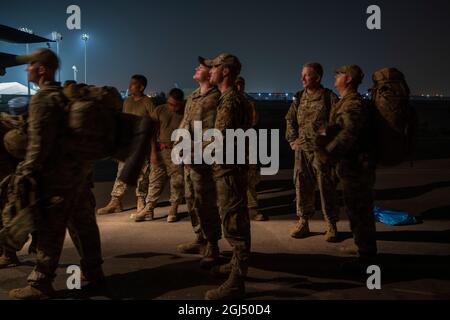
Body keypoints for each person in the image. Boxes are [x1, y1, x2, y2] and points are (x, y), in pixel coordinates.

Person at [8, 48, 105, 299]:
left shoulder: (42, 99)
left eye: (30, 65)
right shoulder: (65, 97)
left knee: (50, 229)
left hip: (56, 180)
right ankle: (95, 274)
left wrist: (26, 171)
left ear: (42, 69)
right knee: (84, 226)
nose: (27, 69)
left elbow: (39, 144)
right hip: (78, 175)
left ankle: (40, 284)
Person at [316, 65, 378, 268]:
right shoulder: (344, 102)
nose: (335, 76)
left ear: (349, 79)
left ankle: (367, 257)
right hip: (350, 166)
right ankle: (363, 248)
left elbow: (348, 133)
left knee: (360, 210)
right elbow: (338, 126)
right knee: (355, 209)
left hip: (357, 167)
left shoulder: (353, 104)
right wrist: (320, 132)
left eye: (339, 73)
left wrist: (328, 153)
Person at [205, 53, 251, 300]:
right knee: (231, 218)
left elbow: (219, 137)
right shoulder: (230, 97)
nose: (210, 70)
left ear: (225, 72)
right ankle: (235, 266)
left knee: (235, 224)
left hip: (230, 169)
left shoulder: (231, 100)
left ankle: (237, 281)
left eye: (214, 67)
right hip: (229, 167)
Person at [285, 62, 340, 242]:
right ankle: (303, 221)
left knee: (326, 186)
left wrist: (322, 137)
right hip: (302, 150)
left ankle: (331, 224)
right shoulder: (299, 97)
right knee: (301, 184)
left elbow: (337, 123)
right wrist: (293, 141)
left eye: (306, 75)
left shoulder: (329, 97)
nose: (302, 78)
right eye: (302, 74)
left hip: (321, 150)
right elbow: (290, 119)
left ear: (317, 77)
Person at [176, 57, 222, 268]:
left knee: (206, 201)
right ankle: (200, 238)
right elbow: (185, 124)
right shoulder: (193, 96)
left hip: (203, 159)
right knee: (191, 199)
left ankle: (213, 244)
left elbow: (214, 133)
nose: (196, 68)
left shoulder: (216, 98)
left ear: (210, 74)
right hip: (188, 158)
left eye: (201, 67)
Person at [97, 75, 155, 217]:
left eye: (133, 84)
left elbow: (152, 124)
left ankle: (140, 200)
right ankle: (116, 201)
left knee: (142, 174)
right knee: (121, 172)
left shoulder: (147, 102)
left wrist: (153, 149)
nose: (130, 86)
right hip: (127, 144)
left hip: (142, 144)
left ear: (141, 87)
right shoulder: (127, 101)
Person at [134, 88, 185, 223]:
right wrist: (152, 152)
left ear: (181, 103)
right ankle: (149, 208)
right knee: (155, 179)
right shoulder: (160, 110)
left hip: (176, 151)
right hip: (160, 149)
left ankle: (173, 208)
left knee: (177, 181)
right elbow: (151, 131)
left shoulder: (187, 112)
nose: (171, 107)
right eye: (169, 103)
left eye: (175, 105)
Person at [235, 76, 268, 221]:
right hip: (230, 145)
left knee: (250, 177)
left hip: (247, 144)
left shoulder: (249, 102)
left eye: (241, 85)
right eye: (236, 85)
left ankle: (252, 209)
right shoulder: (223, 101)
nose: (239, 88)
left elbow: (254, 121)